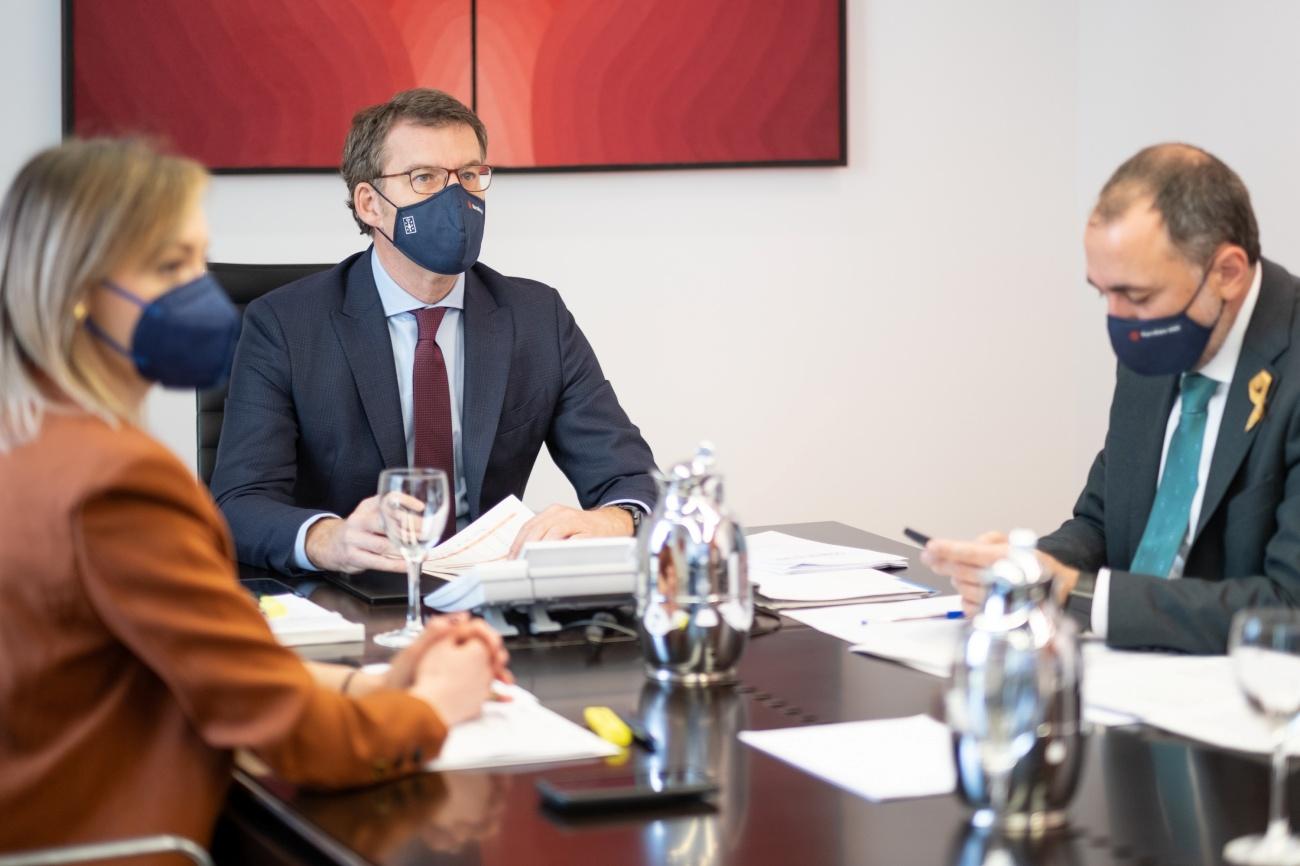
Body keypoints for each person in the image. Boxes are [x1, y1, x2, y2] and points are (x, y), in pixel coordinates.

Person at [0, 138, 512, 854]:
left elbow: (186, 672)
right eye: (171, 266)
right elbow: (296, 740)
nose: (202, 294)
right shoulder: (119, 485)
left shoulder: (29, 446)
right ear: (83, 292)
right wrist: (431, 707)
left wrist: (379, 685)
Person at [210, 88, 658, 578]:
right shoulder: (284, 324)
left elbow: (633, 479)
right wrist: (330, 539)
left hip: (489, 596)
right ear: (370, 204)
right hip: (352, 595)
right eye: (424, 177)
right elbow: (239, 503)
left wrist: (613, 521)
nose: (456, 197)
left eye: (469, 175)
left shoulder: (536, 317)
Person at [924, 143, 1300, 653]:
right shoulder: (1158, 342)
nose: (1120, 320)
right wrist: (1026, 569)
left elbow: (1289, 608)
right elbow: (1103, 522)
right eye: (1104, 294)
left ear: (1227, 273)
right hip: (1128, 679)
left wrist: (1077, 593)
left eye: (1137, 297)